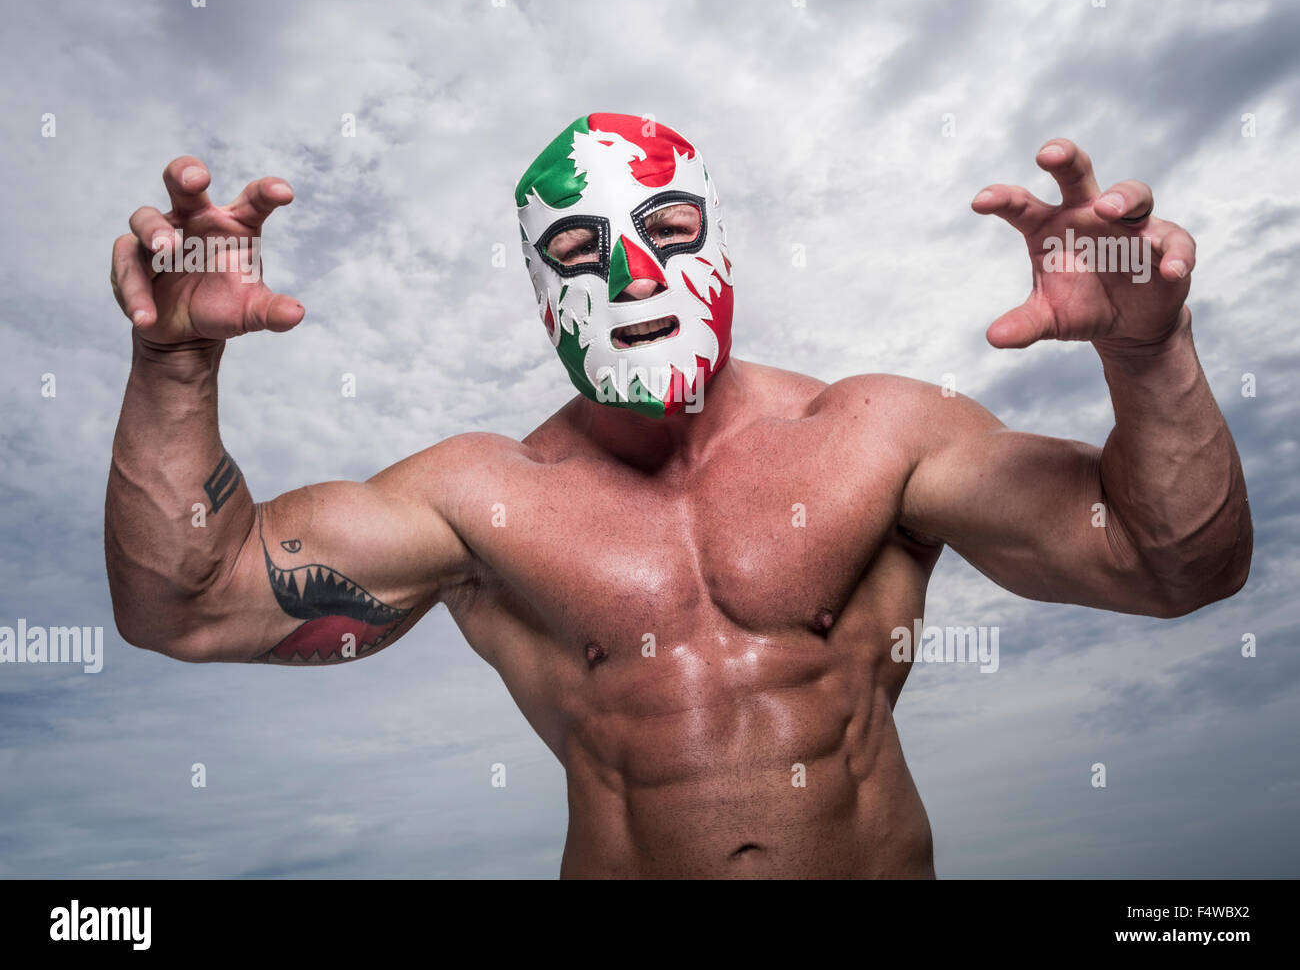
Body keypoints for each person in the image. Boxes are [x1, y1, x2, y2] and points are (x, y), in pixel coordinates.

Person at [105, 113, 1252, 878]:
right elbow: (186, 605)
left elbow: (1178, 565)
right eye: (579, 244)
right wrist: (174, 364)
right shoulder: (479, 500)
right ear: (538, 285)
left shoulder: (875, 436)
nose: (632, 273)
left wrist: (1149, 360)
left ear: (721, 248)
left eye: (667, 228)